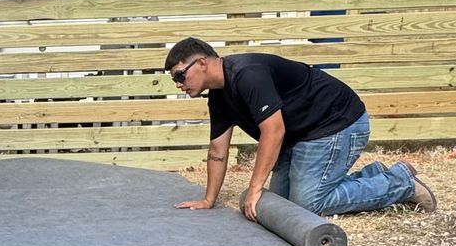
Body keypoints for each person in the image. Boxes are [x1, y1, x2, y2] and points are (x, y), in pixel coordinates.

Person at [162, 38, 435, 219]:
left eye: (179, 75)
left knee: (307, 205)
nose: (178, 83)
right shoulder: (220, 95)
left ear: (201, 63)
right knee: (282, 204)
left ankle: (401, 183)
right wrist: (208, 200)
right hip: (301, 137)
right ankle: (376, 175)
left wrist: (255, 186)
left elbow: (274, 131)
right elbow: (218, 150)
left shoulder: (247, 73)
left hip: (336, 124)